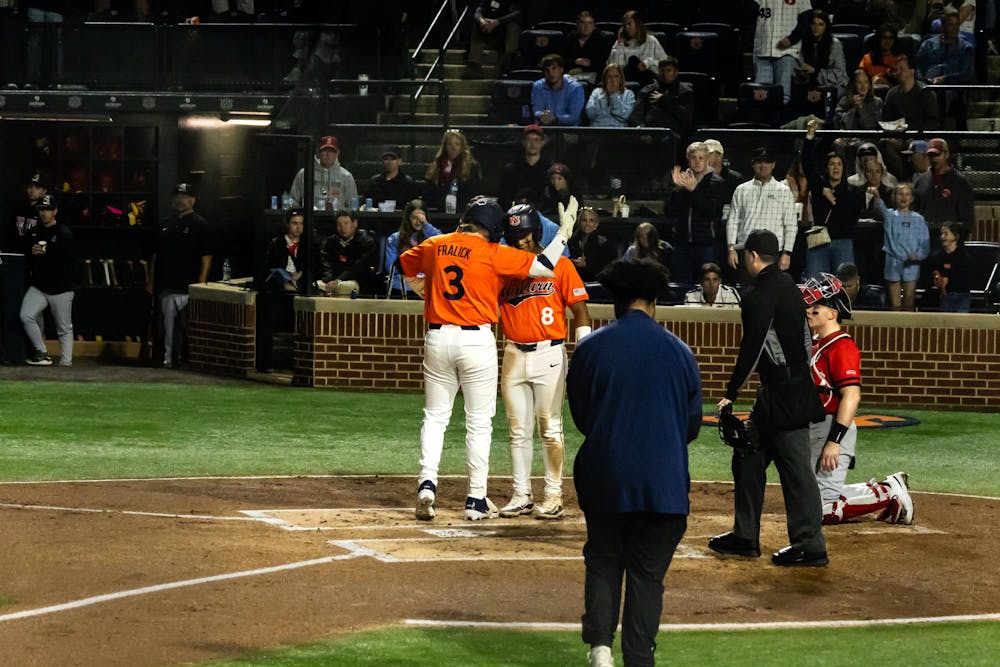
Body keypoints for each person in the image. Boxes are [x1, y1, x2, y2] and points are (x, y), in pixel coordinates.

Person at [400, 197, 579, 522]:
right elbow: (541, 266)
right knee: (479, 422)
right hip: (476, 340)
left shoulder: (436, 243)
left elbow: (404, 267)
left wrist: (429, 291)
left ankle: (427, 485)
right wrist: (563, 234)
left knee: (436, 416)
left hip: (438, 336)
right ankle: (476, 499)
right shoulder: (493, 253)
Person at [566, 259, 700, 667]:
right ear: (655, 302)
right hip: (665, 484)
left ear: (615, 302)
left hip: (606, 474)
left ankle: (601, 649)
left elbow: (582, 416)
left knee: (605, 560)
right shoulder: (680, 352)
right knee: (647, 577)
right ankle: (639, 657)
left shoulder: (591, 347)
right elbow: (691, 425)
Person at [711, 229, 829, 567]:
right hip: (779, 391)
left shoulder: (758, 293)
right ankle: (745, 536)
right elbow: (806, 339)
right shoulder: (790, 287)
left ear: (751, 256)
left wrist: (730, 392)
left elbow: (754, 344)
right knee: (747, 455)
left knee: (796, 470)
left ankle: (811, 544)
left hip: (786, 394)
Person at [497, 204, 591, 521]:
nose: (520, 241)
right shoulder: (505, 267)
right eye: (514, 236)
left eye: (524, 235)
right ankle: (521, 494)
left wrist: (584, 350)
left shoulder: (561, 266)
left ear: (536, 231)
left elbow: (580, 311)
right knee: (517, 431)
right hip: (513, 353)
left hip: (550, 352)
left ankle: (553, 495)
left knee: (550, 429)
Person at [800, 273, 915, 525]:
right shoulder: (816, 344)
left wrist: (835, 441)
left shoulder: (842, 346)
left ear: (832, 313)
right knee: (806, 500)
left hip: (833, 428)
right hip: (816, 427)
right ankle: (885, 490)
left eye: (815, 308)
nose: (809, 312)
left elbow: (851, 395)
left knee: (822, 510)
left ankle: (887, 491)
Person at [148, 183, 211, 369]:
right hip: (167, 286)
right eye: (177, 196)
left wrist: (201, 284)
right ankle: (169, 361)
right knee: (167, 329)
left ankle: (191, 362)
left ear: (193, 200)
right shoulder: (165, 225)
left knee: (189, 328)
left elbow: (206, 257)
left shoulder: (200, 225)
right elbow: (154, 255)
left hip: (189, 286)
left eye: (184, 196)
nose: (180, 200)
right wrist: (151, 281)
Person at [801, 120, 865, 279]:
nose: (836, 168)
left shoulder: (852, 192)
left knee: (844, 286)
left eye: (839, 164)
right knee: (815, 285)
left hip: (843, 242)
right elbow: (807, 164)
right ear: (826, 168)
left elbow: (854, 215)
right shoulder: (818, 187)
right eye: (832, 164)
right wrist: (809, 137)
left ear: (843, 168)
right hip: (818, 242)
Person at [19, 194, 74, 367]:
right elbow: (28, 256)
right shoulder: (35, 231)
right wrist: (33, 253)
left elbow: (70, 261)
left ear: (55, 211)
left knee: (64, 328)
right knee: (26, 315)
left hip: (61, 288)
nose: (44, 213)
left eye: (48, 209)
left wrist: (48, 253)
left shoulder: (64, 233)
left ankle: (66, 364)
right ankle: (42, 352)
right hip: (40, 286)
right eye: (41, 209)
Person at [726, 147, 797, 280]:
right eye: (759, 162)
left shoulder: (784, 191)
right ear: (753, 164)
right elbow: (733, 220)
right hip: (747, 250)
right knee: (746, 291)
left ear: (773, 165)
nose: (763, 166)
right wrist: (731, 248)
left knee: (772, 294)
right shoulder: (742, 190)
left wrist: (787, 253)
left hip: (773, 252)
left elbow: (791, 225)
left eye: (767, 162)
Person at [664, 141, 726, 284]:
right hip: (681, 245)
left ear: (707, 159)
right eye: (693, 157)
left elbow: (711, 211)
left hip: (706, 246)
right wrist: (677, 190)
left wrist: (694, 191)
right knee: (681, 286)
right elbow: (669, 212)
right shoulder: (681, 181)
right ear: (688, 159)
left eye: (701, 158)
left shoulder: (716, 182)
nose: (697, 161)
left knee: (705, 286)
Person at [880, 53, 940, 179]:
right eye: (896, 69)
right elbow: (886, 120)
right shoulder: (892, 94)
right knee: (885, 143)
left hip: (920, 136)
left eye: (902, 68)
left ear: (912, 70)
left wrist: (912, 133)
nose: (898, 72)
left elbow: (932, 123)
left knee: (916, 146)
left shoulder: (926, 92)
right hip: (899, 137)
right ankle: (902, 179)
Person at [873, 182, 930, 311]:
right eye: (900, 194)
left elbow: (925, 244)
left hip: (911, 264)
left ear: (912, 198)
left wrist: (916, 256)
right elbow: (879, 206)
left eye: (907, 194)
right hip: (893, 263)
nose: (903, 198)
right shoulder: (890, 215)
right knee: (895, 305)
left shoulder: (919, 219)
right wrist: (876, 195)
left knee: (909, 303)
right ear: (894, 197)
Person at [916, 9, 974, 128]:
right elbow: (918, 68)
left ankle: (938, 129)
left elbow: (967, 73)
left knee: (942, 93)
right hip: (926, 85)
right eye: (950, 25)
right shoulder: (928, 44)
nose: (954, 28)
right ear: (943, 26)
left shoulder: (966, 47)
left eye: (957, 25)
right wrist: (926, 82)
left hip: (953, 88)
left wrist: (944, 80)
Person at [912, 137, 976, 236]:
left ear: (946, 154)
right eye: (930, 155)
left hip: (949, 242)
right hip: (923, 240)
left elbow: (967, 220)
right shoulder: (921, 180)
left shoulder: (960, 182)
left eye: (937, 155)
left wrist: (954, 235)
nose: (934, 159)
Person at [385, 199, 442, 298]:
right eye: (414, 218)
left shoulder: (430, 237)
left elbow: (442, 243)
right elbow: (391, 267)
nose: (418, 222)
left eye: (421, 218)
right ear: (408, 219)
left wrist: (426, 225)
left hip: (426, 285)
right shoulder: (395, 238)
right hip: (402, 284)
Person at [793, 10, 848, 113]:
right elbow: (797, 67)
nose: (816, 27)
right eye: (813, 23)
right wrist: (802, 74)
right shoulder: (802, 42)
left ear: (826, 26)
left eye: (820, 24)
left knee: (833, 94)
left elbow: (840, 74)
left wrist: (816, 71)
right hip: (808, 83)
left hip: (834, 83)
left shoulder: (834, 44)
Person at [758, 0, 812, 105]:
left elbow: (806, 20)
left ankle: (778, 120)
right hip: (763, 50)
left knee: (783, 95)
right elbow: (749, 15)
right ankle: (763, 120)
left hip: (786, 51)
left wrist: (792, 39)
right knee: (761, 94)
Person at [288, 135, 358, 212]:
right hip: (310, 218)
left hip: (337, 220)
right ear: (318, 152)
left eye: (331, 151)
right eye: (324, 150)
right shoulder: (304, 173)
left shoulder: (346, 176)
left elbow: (353, 205)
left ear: (337, 153)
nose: (327, 154)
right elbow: (293, 200)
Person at [629, 56, 693, 139]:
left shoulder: (685, 91)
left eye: (668, 70)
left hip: (673, 134)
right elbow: (636, 115)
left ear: (676, 72)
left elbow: (686, 117)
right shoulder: (647, 90)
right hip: (649, 133)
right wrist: (642, 130)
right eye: (662, 70)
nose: (664, 74)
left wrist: (665, 100)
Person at [319, 209, 378, 297]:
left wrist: (339, 280)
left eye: (346, 223)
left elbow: (359, 267)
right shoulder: (330, 242)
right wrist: (329, 280)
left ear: (354, 224)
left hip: (356, 280)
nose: (343, 228)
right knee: (316, 286)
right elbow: (326, 264)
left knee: (344, 288)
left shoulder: (366, 242)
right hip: (332, 278)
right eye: (339, 224)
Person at [422, 128, 482, 213]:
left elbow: (474, 193)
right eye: (450, 144)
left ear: (462, 147)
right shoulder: (436, 166)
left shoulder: (472, 167)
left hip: (463, 213)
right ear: (445, 147)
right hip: (440, 213)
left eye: (457, 144)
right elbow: (428, 193)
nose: (453, 148)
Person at [607, 9, 667, 87]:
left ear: (637, 24)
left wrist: (648, 63)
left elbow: (665, 64)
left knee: (634, 61)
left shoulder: (651, 40)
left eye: (629, 24)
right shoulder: (620, 43)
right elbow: (615, 67)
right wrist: (619, 44)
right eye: (625, 25)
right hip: (627, 78)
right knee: (633, 61)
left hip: (647, 74)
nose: (626, 28)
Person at [499, 124, 551, 209]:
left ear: (542, 142)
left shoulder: (549, 169)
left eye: (536, 139)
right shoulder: (511, 169)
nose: (532, 143)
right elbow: (503, 198)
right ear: (523, 142)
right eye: (529, 139)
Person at [465, 0, 521, 75]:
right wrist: (482, 21)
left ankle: (507, 64)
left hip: (504, 38)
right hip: (490, 32)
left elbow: (518, 13)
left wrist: (498, 22)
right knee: (477, 24)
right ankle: (475, 65)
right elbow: (478, 11)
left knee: (513, 26)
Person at [531, 53, 585, 127]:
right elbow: (537, 110)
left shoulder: (575, 88)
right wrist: (542, 115)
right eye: (547, 70)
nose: (551, 73)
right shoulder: (538, 86)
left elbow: (574, 117)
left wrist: (556, 118)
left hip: (569, 130)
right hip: (546, 128)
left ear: (561, 69)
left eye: (554, 68)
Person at [928, 221, 972, 312]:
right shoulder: (937, 257)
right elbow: (933, 275)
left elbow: (967, 279)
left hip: (962, 298)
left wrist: (948, 280)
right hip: (944, 297)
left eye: (946, 234)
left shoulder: (964, 257)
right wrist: (937, 281)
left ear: (955, 237)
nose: (942, 237)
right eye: (941, 234)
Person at [562, 9, 611, 85]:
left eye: (589, 23)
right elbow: (562, 59)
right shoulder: (570, 38)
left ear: (594, 26)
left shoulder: (602, 40)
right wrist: (575, 61)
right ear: (577, 25)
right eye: (582, 23)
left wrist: (581, 69)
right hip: (571, 75)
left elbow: (602, 63)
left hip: (595, 77)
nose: (586, 26)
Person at [365, 145, 417, 211]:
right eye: (386, 159)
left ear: (400, 161)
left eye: (393, 159)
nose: (389, 162)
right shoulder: (374, 182)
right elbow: (364, 204)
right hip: (377, 219)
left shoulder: (408, 183)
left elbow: (414, 207)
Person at [6, 172, 47, 252]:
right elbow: (9, 232)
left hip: (34, 256)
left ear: (44, 191)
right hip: (15, 252)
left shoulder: (45, 211)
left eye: (37, 188)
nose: (32, 190)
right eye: (30, 187)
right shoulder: (18, 208)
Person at [584, 63, 635, 127]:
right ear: (604, 78)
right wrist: (604, 96)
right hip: (597, 129)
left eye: (616, 76)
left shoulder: (628, 94)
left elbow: (624, 116)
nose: (612, 80)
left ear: (621, 78)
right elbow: (590, 114)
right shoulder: (596, 92)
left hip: (618, 131)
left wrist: (614, 95)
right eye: (609, 76)